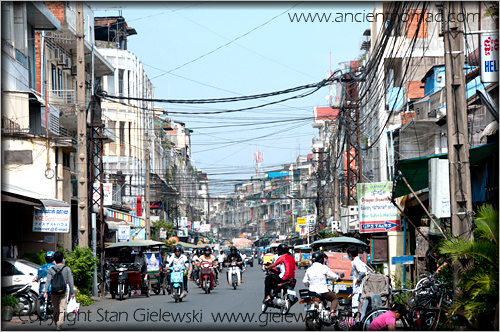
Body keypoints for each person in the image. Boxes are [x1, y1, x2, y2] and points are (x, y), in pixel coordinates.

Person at [303, 252, 340, 320]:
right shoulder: (324, 267)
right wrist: (338, 278)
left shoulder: (309, 269)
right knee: (334, 298)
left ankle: (307, 327)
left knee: (309, 307)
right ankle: (332, 313)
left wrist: (310, 284)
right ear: (321, 259)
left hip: (312, 292)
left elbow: (305, 281)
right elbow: (333, 276)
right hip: (323, 291)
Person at [45, 251, 75, 331]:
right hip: (63, 291)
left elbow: (48, 281)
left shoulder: (51, 269)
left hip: (54, 291)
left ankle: (56, 321)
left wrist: (45, 291)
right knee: (62, 308)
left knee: (55, 308)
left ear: (54, 259)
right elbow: (71, 281)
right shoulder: (67, 269)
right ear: (62, 259)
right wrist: (72, 292)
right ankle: (59, 323)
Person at [347, 245, 369, 315]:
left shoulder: (356, 262)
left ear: (350, 254)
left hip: (359, 287)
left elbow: (362, 272)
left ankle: (355, 322)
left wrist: (358, 280)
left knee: (356, 305)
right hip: (361, 287)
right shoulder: (359, 261)